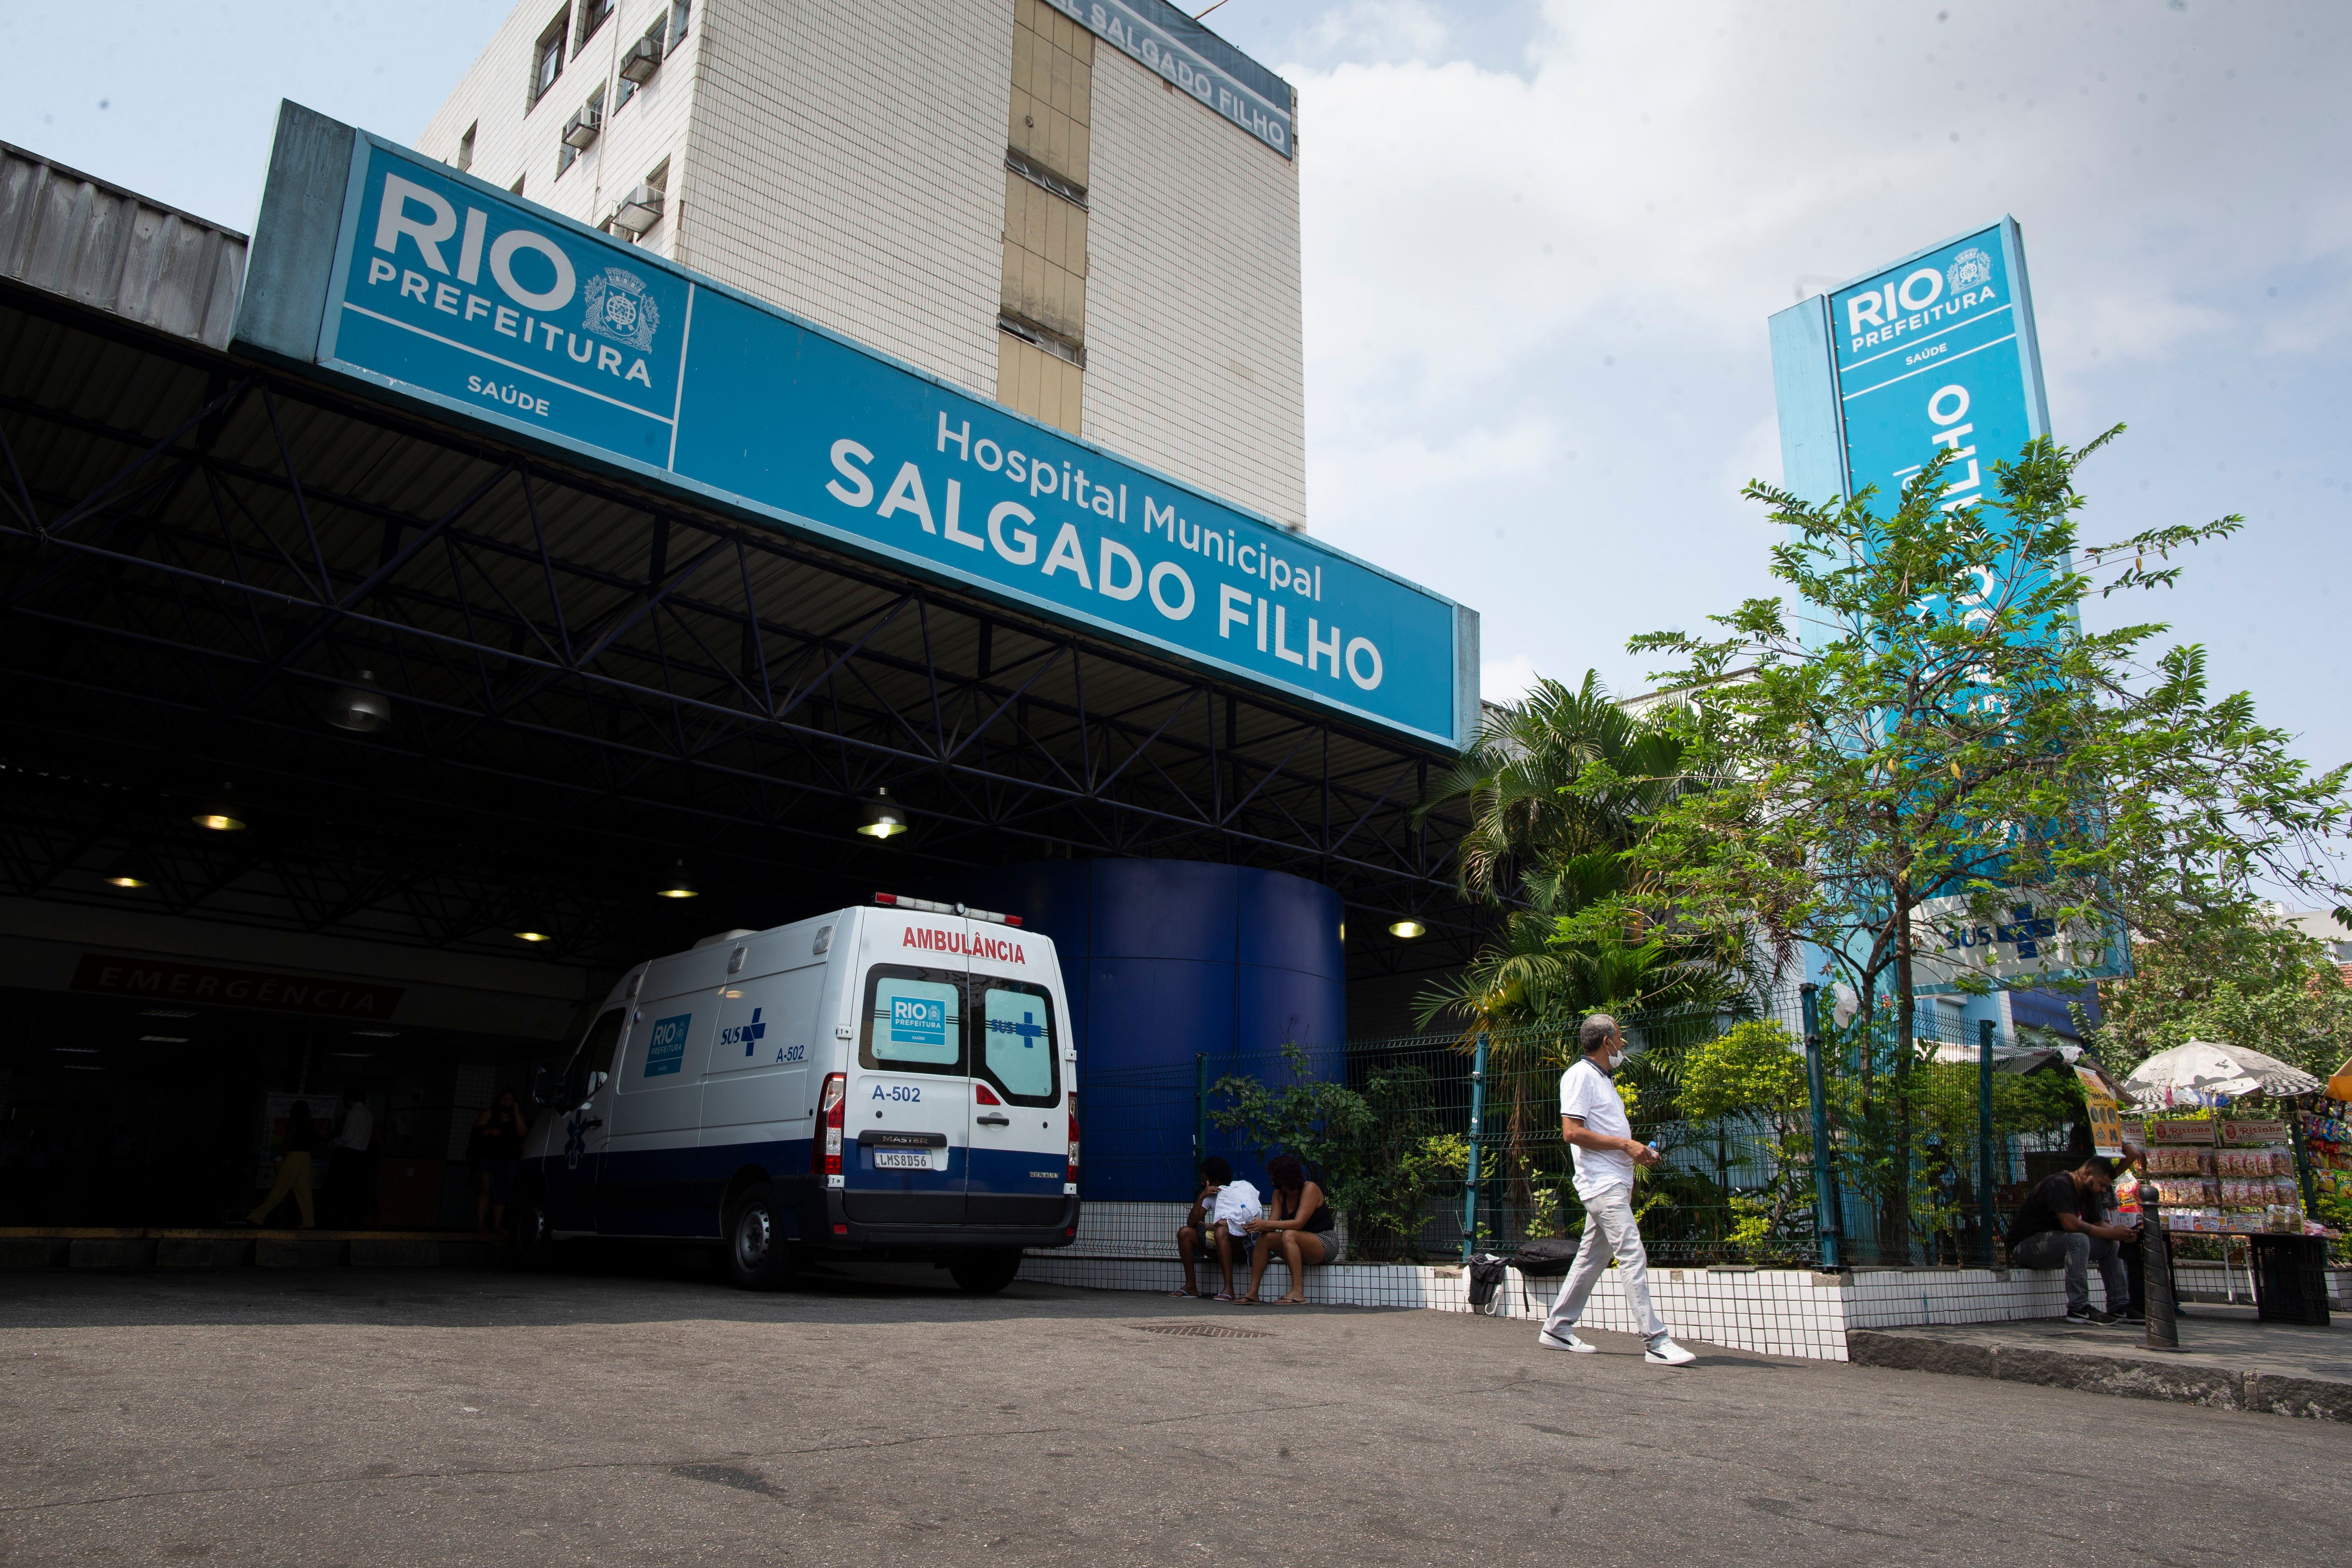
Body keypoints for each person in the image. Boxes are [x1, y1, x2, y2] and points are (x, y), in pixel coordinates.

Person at [1536, 1014, 1697, 1366]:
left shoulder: (1602, 1080)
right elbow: (1571, 1132)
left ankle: (1557, 1328)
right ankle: (1656, 1341)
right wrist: (1626, 1146)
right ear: (1605, 1041)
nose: (1623, 1044)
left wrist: (1638, 1151)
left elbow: (1601, 1132)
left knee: (1590, 1260)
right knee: (1632, 1253)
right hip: (1602, 1185)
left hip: (1613, 1183)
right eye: (1620, 1038)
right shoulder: (1580, 1075)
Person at [2006, 1155, 2142, 1323]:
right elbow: (2070, 1225)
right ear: (2088, 1173)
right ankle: (2078, 1308)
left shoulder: (2089, 1190)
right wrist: (2112, 1233)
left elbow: (2098, 1223)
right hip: (2025, 1248)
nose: (2104, 1190)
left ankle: (2119, 1306)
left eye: (2107, 1187)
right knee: (2079, 1239)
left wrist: (2120, 1233)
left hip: (2056, 1246)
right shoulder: (2059, 1184)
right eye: (2102, 1185)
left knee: (2110, 1244)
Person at [1240, 1152, 1341, 1304]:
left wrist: (1265, 1224)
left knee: (1288, 1234)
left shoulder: (1310, 1188)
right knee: (1265, 1238)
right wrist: (1255, 1226)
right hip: (1298, 1242)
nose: (1272, 1180)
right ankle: (1253, 1293)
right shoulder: (1279, 1194)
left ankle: (1298, 1292)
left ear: (1286, 1177)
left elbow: (1298, 1224)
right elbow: (1272, 1224)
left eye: (1275, 1176)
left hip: (1324, 1242)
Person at [1172, 1156, 1253, 1300]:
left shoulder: (1238, 1191)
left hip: (1240, 1248)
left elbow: (1247, 1222)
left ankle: (1229, 1289)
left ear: (1214, 1181)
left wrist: (1226, 1225)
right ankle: (1191, 1286)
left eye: (1205, 1180)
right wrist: (1202, 1198)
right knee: (1184, 1233)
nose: (1202, 1183)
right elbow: (1192, 1223)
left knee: (1221, 1231)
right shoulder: (1211, 1196)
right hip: (1218, 1247)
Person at [243, 1100, 319, 1229]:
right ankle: (309, 1223)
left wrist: (279, 1159)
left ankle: (256, 1217)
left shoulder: (294, 1124)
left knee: (279, 1190)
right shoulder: (310, 1126)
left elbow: (287, 1144)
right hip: (306, 1159)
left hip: (294, 1157)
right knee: (305, 1194)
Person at [473, 1087, 530, 1236]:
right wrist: (490, 1133)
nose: (508, 1102)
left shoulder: (519, 1117)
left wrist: (516, 1113)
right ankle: (480, 1224)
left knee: (503, 1192)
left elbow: (523, 1133)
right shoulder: (489, 1114)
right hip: (488, 1157)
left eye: (511, 1099)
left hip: (508, 1160)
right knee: (485, 1188)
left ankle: (497, 1225)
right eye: (505, 1099)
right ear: (499, 1100)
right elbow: (477, 1132)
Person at [325, 1087, 377, 1229]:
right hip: (361, 1156)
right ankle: (351, 1223)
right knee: (354, 1191)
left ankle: (336, 1222)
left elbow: (347, 1137)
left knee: (340, 1190)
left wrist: (333, 1142)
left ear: (350, 1099)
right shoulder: (369, 1114)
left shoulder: (354, 1113)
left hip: (348, 1155)